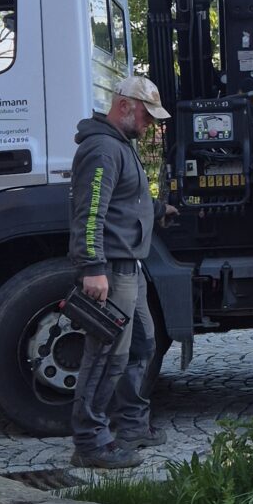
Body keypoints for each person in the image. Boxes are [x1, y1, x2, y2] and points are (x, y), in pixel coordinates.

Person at [68, 72, 171, 469]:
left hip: (131, 268)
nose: (149, 126)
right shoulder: (103, 149)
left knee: (143, 344)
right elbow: (90, 212)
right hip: (112, 270)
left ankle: (132, 426)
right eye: (146, 116)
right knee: (107, 355)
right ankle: (90, 443)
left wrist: (159, 210)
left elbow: (126, 199)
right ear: (125, 105)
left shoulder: (120, 145)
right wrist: (93, 268)